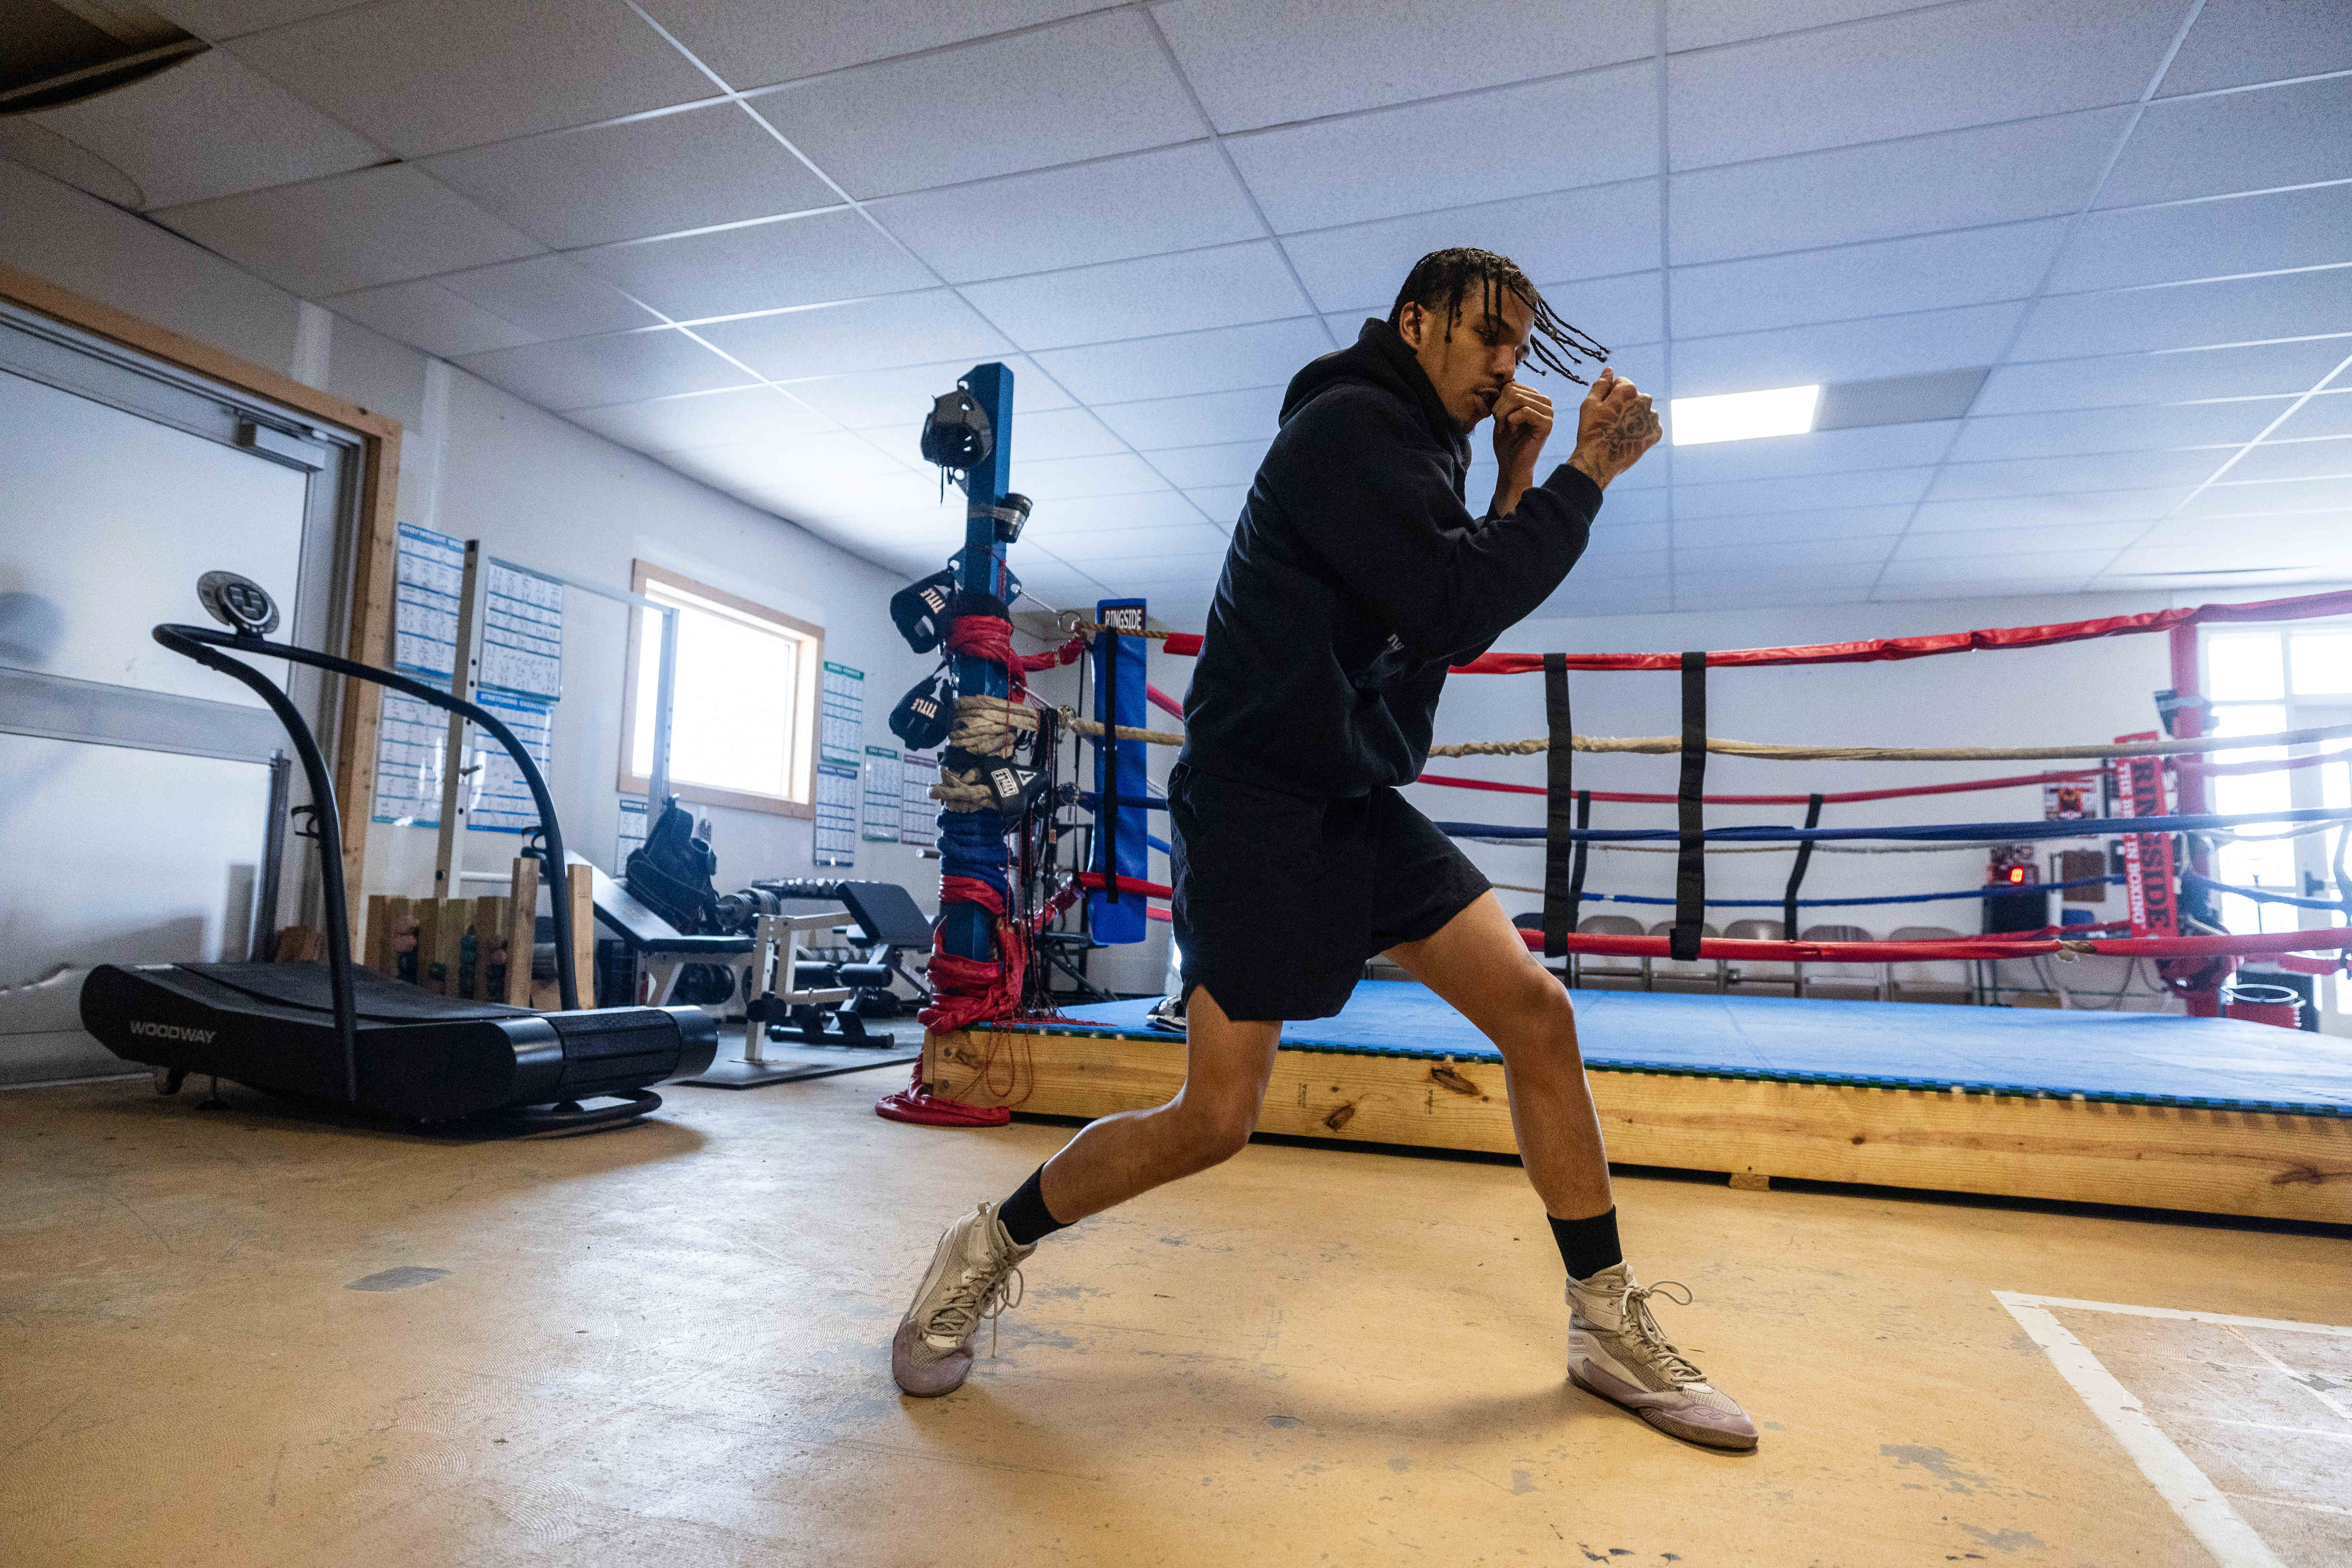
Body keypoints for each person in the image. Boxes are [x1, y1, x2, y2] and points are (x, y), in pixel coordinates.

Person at [891, 248, 1756, 1452]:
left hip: (1348, 795)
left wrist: (1511, 482)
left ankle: (1604, 1324)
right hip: (1253, 802)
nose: (1508, 363)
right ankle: (984, 1245)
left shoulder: (1425, 454)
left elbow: (1444, 610)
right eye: (1487, 337)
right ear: (1416, 325)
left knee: (1537, 1014)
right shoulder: (1349, 430)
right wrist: (1584, 477)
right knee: (1215, 1120)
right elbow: (1456, 606)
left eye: (1521, 343)